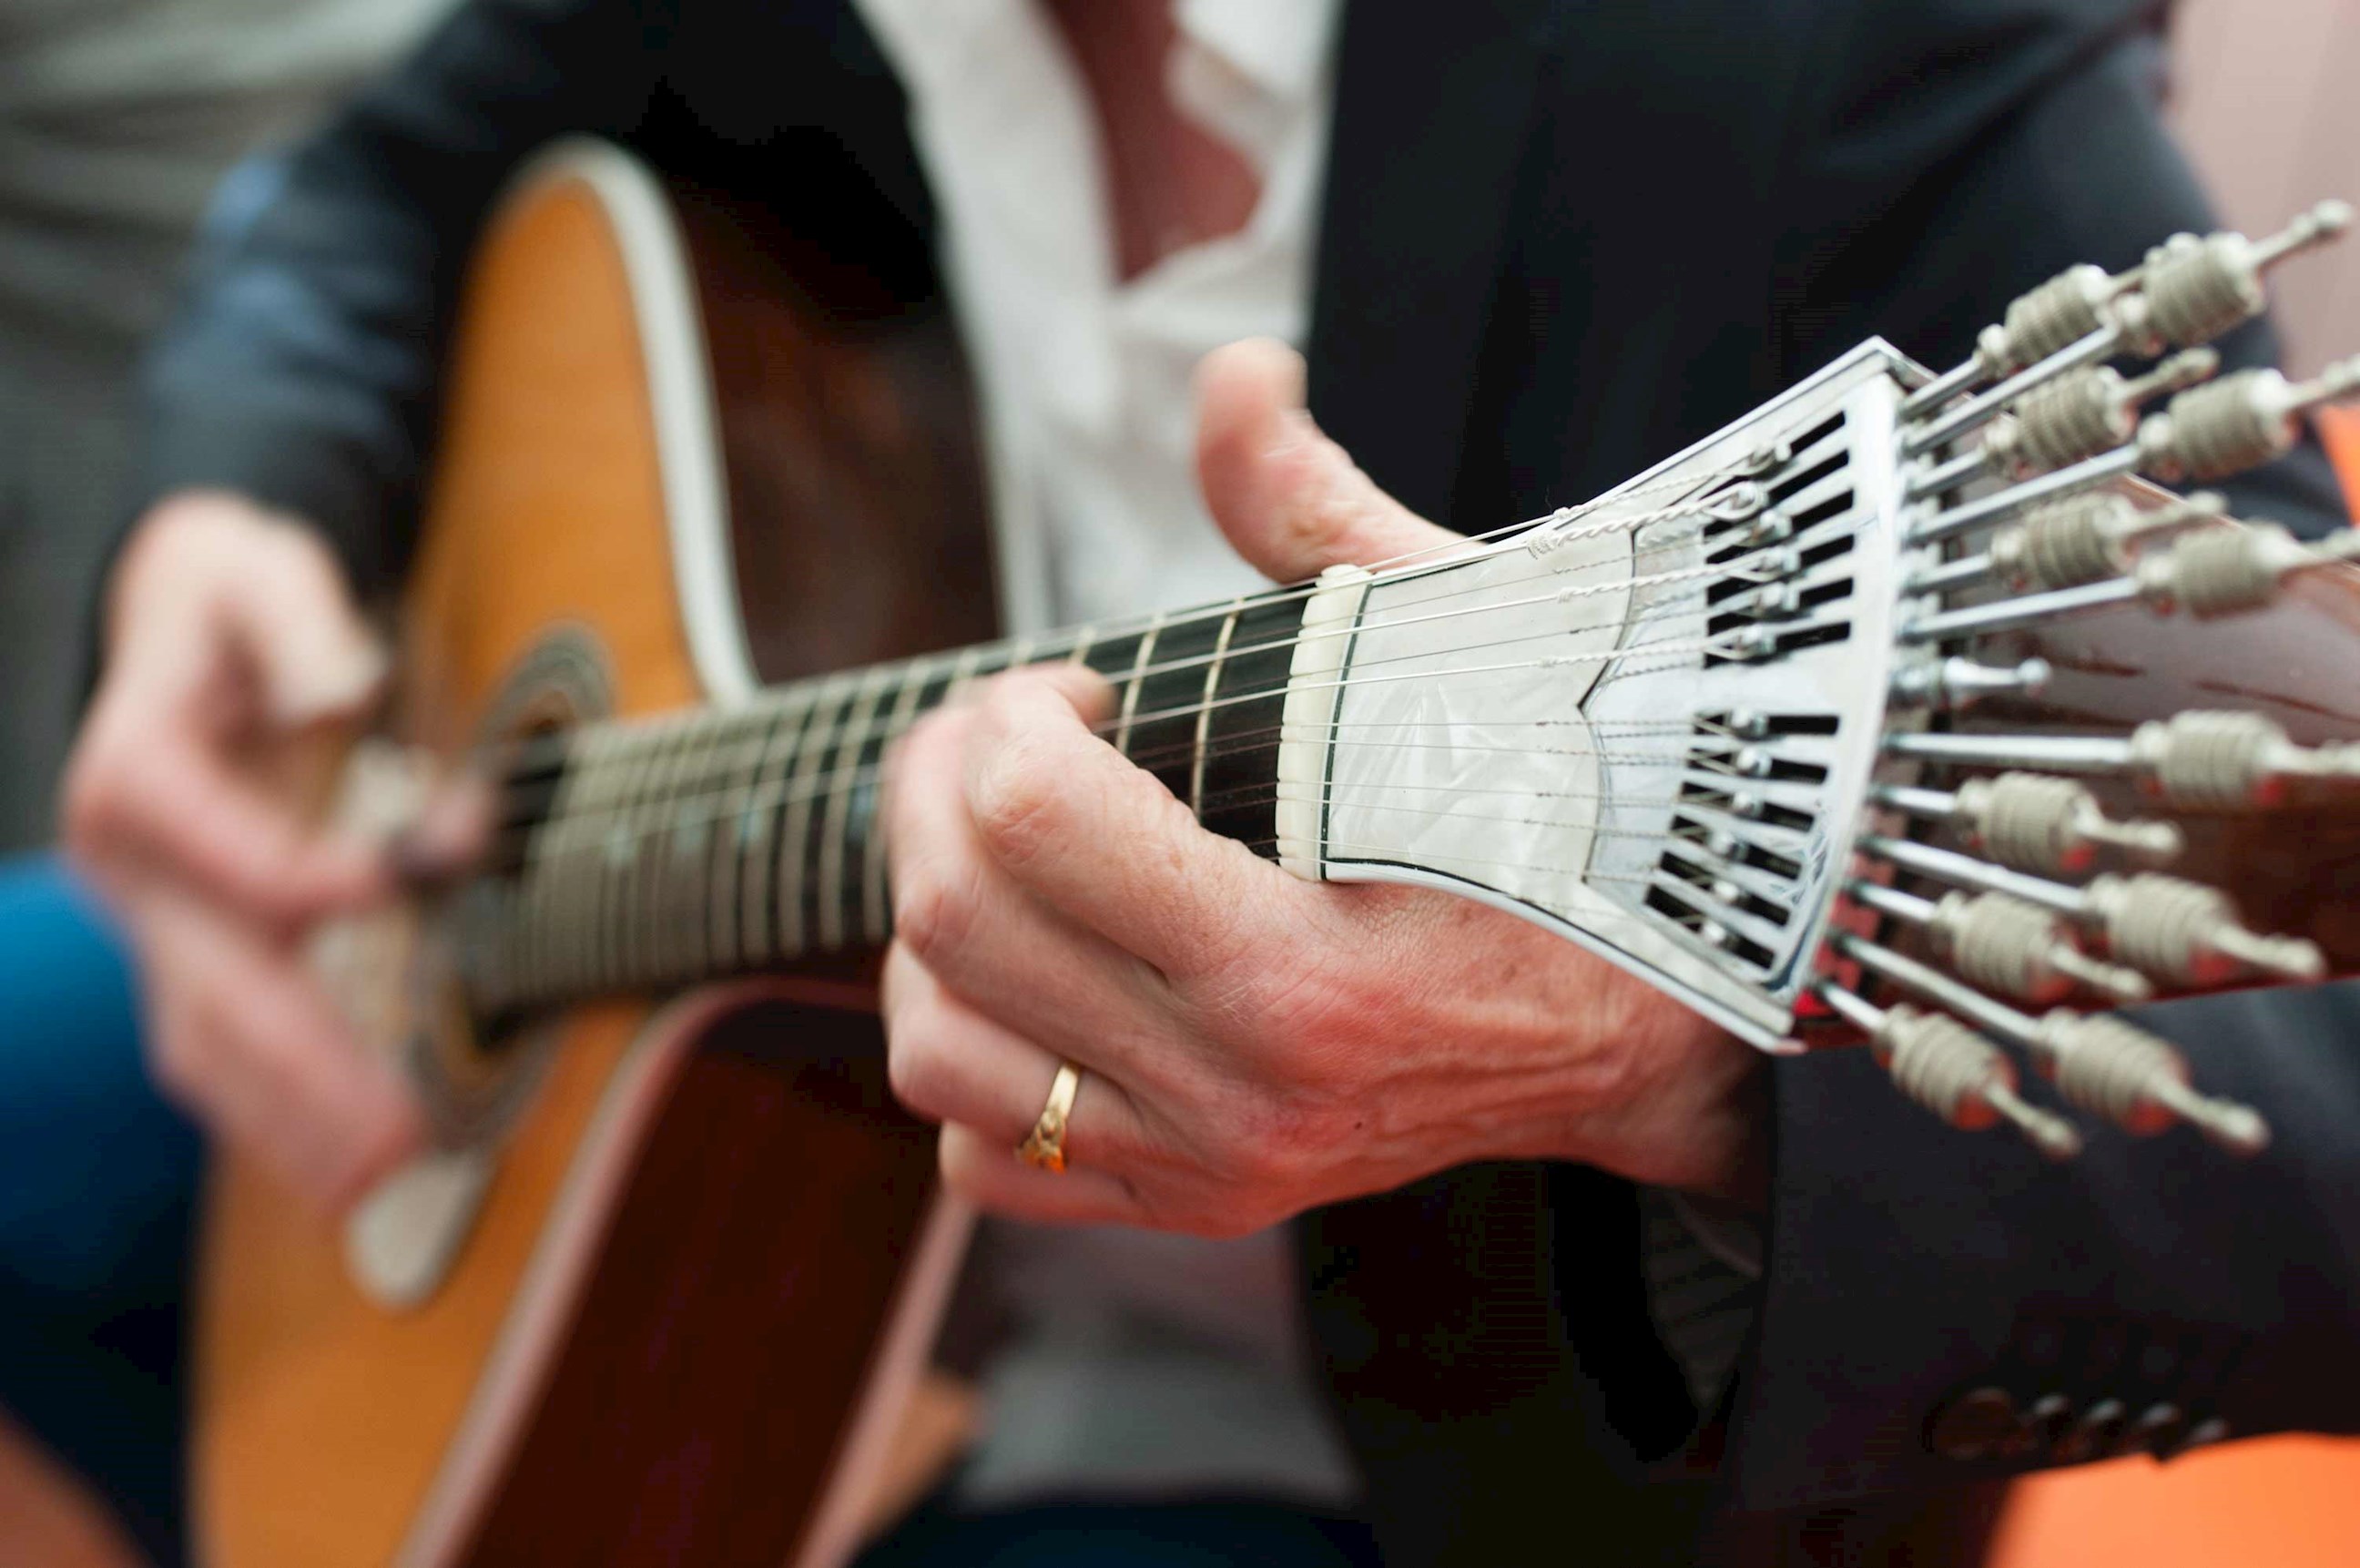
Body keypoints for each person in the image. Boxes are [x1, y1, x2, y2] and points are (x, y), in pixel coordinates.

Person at [56, 0, 2360, 1563]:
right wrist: (229, 513)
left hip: (1425, 1452)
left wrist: (1650, 1059)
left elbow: (2319, 1059)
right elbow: (368, 194)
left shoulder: (1838, 41)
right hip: (738, 1213)